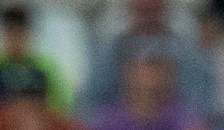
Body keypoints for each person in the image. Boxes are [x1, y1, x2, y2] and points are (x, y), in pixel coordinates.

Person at [82, 0, 215, 117]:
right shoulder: (113, 50)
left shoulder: (185, 51)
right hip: (121, 129)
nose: (147, 84)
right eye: (142, 11)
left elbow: (200, 105)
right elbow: (91, 103)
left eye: (152, 11)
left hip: (174, 129)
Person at [0, 4, 75, 115]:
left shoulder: (46, 66)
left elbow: (62, 106)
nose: (15, 40)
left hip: (35, 126)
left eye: (20, 34)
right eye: (10, 33)